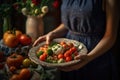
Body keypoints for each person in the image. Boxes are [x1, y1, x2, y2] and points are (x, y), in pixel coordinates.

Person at [33, 0, 120, 80]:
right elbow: (69, 23)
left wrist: (89, 57)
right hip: (69, 54)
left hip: (96, 55)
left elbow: (110, 36)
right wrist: (53, 33)